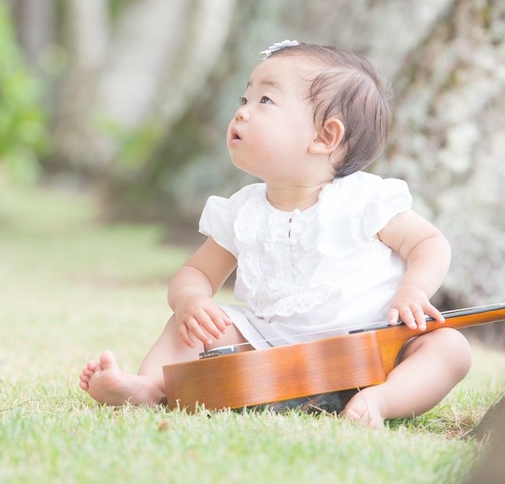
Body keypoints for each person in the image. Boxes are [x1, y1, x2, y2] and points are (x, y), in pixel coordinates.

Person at [78, 40, 472, 427]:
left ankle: (381, 401)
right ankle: (149, 387)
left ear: (324, 137)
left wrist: (414, 290)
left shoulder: (364, 199)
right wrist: (190, 301)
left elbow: (429, 243)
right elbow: (196, 274)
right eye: (244, 100)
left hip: (373, 352)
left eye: (264, 101)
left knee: (449, 348)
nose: (243, 113)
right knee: (192, 325)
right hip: (268, 355)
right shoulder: (242, 210)